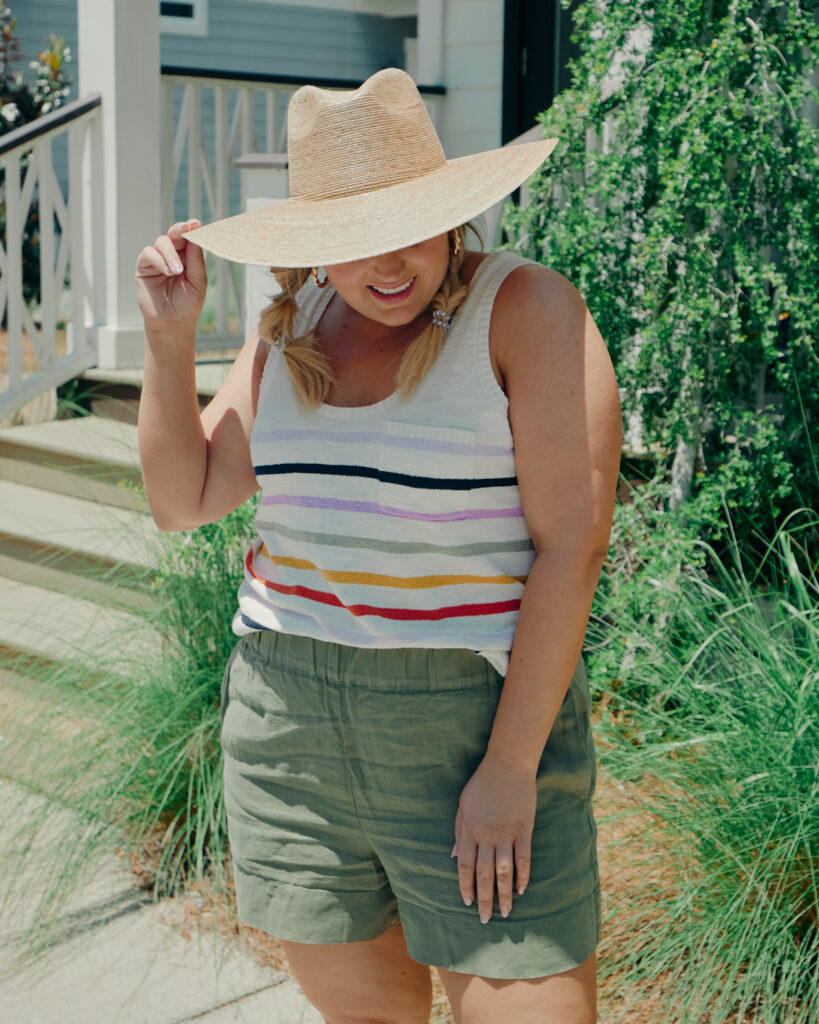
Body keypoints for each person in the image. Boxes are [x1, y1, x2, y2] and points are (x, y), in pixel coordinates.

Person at [136, 68, 620, 1024]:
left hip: (473, 727)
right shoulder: (292, 327)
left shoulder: (526, 311)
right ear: (315, 242)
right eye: (356, 240)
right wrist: (167, 342)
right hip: (289, 721)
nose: (390, 263)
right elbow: (182, 499)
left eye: (412, 227)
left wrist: (511, 766)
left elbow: (572, 548)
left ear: (453, 213)